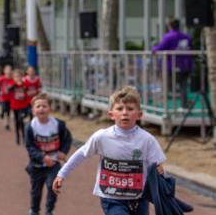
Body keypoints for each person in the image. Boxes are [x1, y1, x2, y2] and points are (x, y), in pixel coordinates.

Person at [53, 86, 166, 215]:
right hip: (111, 197)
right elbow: (82, 154)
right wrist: (62, 173)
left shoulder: (147, 140)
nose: (125, 113)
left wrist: (163, 185)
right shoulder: (102, 137)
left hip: (139, 198)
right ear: (111, 114)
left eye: (130, 109)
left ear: (139, 115)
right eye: (119, 109)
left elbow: (158, 167)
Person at [24, 93, 72, 215]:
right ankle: (34, 210)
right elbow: (30, 146)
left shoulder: (58, 124)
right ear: (33, 110)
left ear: (50, 109)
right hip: (37, 165)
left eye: (44, 106)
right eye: (38, 106)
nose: (41, 108)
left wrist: (63, 151)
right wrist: (42, 157)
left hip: (54, 163)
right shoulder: (30, 127)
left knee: (53, 186)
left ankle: (49, 210)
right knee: (36, 191)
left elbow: (67, 138)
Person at [151, 18, 193, 108]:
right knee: (183, 87)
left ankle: (164, 108)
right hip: (185, 66)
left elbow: (160, 48)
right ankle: (184, 106)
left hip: (171, 66)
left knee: (167, 86)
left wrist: (153, 48)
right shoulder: (186, 37)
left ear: (169, 26)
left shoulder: (168, 36)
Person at [0, 64, 14, 130]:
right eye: (7, 70)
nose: (9, 71)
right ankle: (2, 112)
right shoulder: (1, 78)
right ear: (4, 71)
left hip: (10, 98)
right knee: (4, 109)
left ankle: (7, 124)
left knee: (8, 112)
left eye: (10, 70)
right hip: (3, 98)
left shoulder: (13, 79)